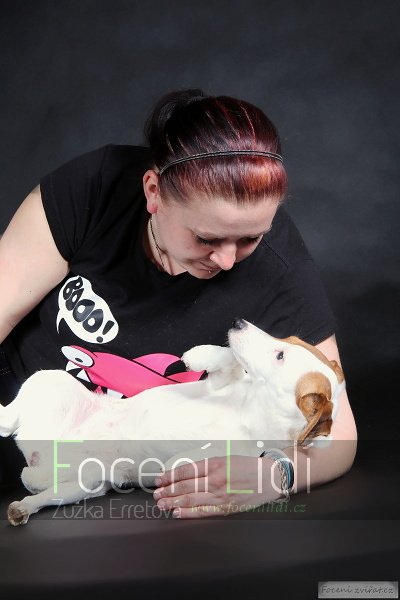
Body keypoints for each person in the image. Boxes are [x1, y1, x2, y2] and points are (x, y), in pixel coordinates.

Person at [0, 89, 357, 516]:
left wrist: (275, 473)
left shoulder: (280, 266)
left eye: (250, 239)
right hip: (18, 404)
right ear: (153, 192)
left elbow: (339, 433)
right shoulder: (95, 186)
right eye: (206, 238)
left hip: (113, 470)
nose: (227, 260)